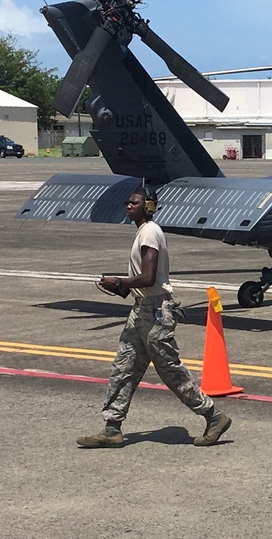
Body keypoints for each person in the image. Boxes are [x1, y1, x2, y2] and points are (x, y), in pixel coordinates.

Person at [77, 187, 232, 448]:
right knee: (124, 367)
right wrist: (120, 287)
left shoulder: (150, 230)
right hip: (141, 309)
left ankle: (214, 416)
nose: (129, 205)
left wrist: (120, 280)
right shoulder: (142, 232)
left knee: (170, 371)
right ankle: (112, 428)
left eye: (134, 202)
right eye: (127, 201)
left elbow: (149, 278)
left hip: (155, 311)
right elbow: (143, 282)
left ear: (148, 206)